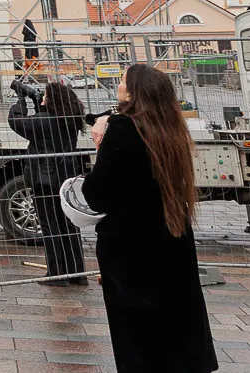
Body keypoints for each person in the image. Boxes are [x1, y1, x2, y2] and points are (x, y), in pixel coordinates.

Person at [83, 63, 218, 372]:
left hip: (130, 247)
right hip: (173, 237)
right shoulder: (171, 127)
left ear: (132, 92)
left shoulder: (122, 130)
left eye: (121, 81)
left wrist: (101, 145)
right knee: (177, 322)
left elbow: (96, 193)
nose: (117, 85)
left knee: (137, 337)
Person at [8, 79, 90, 284]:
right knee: (68, 225)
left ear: (50, 101)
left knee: (50, 226)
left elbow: (16, 120)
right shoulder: (69, 119)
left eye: (45, 96)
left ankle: (57, 274)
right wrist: (38, 101)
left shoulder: (44, 122)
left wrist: (21, 98)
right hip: (65, 178)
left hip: (45, 180)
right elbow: (42, 119)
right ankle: (77, 274)